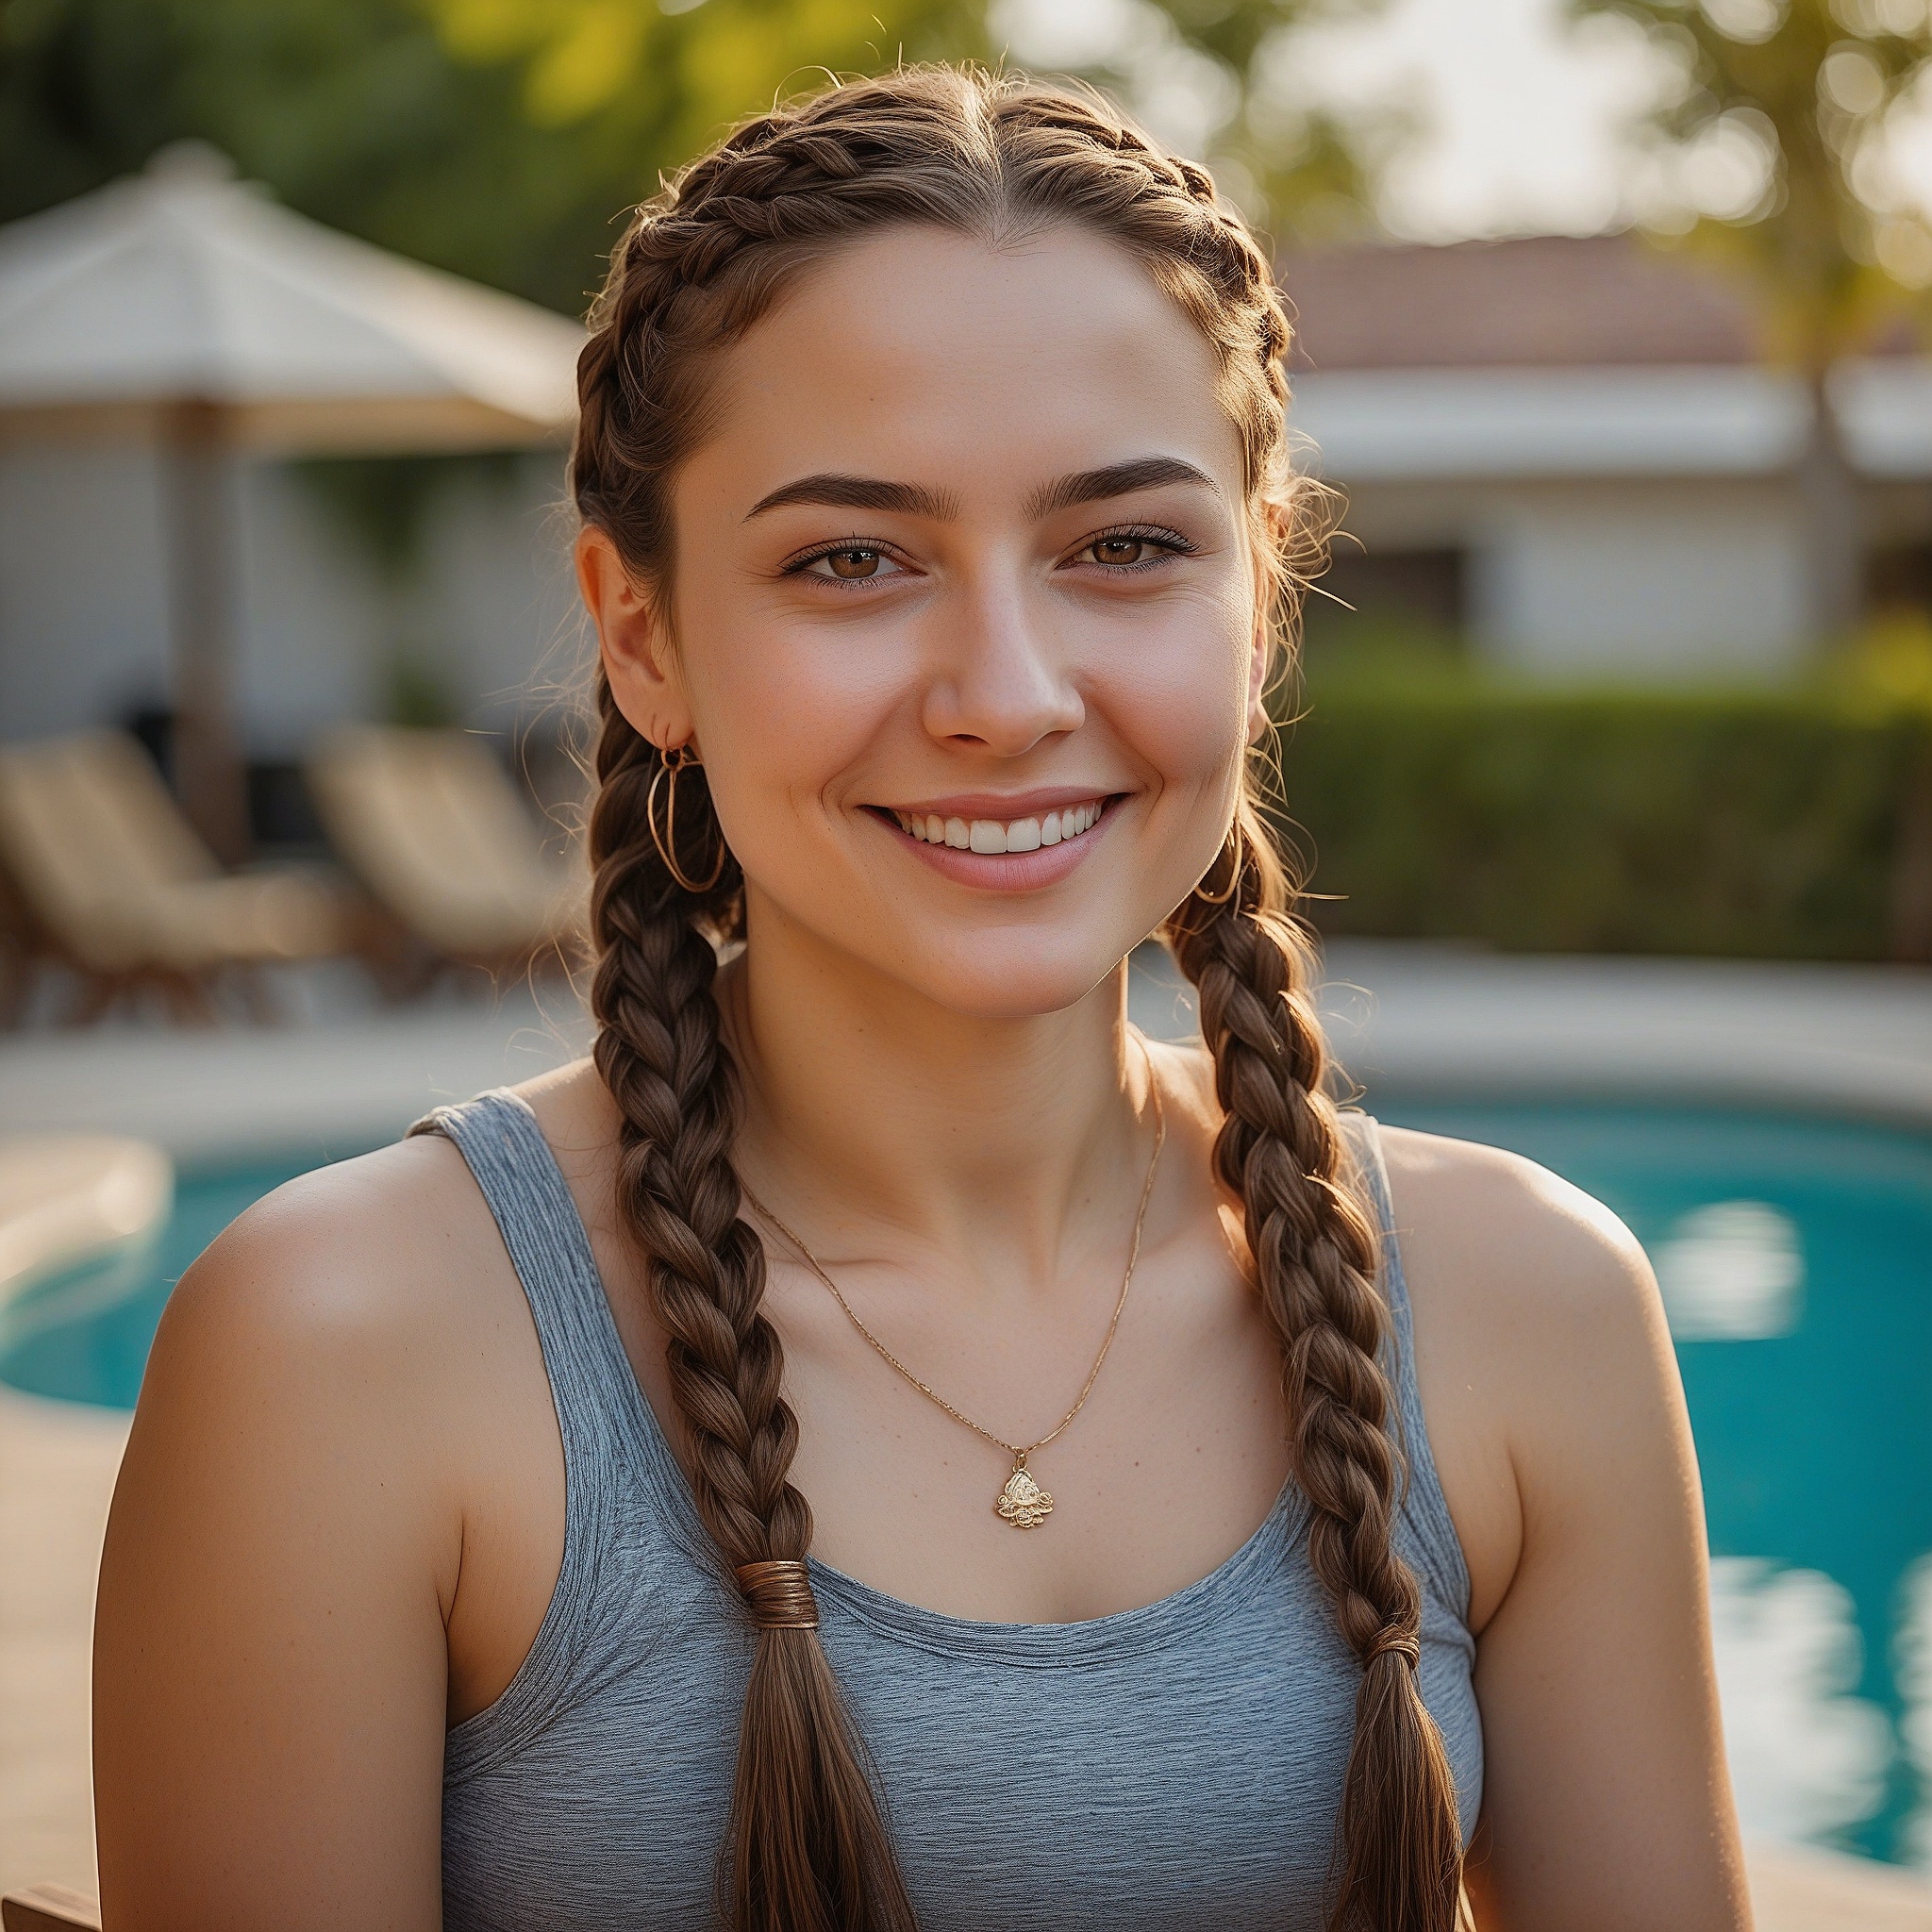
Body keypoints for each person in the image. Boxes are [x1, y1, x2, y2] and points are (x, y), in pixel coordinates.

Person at [92, 65, 1749, 1932]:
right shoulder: (346, 1349)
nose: (1004, 689)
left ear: (1259, 594)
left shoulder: (1529, 1312)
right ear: (643, 640)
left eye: (1122, 544)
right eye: (849, 560)